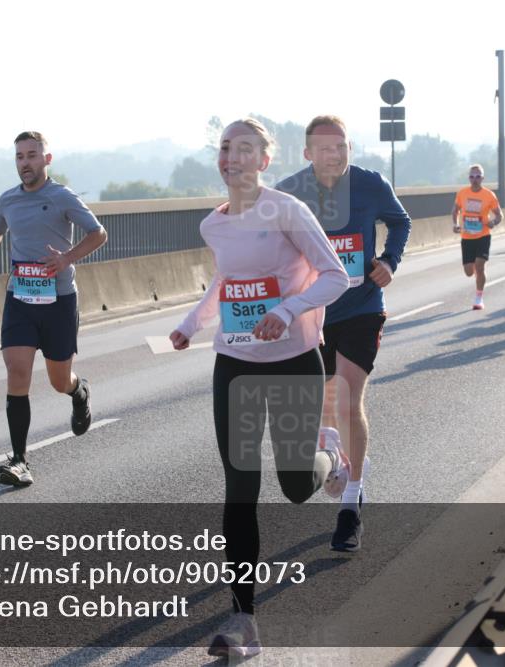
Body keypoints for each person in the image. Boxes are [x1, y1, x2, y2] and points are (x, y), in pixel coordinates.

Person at [169, 118, 348, 658]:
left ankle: (329, 455)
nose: (232, 157)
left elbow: (335, 275)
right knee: (239, 489)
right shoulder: (213, 226)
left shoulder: (288, 210)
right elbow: (226, 282)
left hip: (293, 360)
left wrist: (287, 309)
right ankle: (244, 621)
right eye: (226, 148)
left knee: (296, 486)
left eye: (245, 149)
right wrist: (192, 322)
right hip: (236, 365)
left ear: (263, 161)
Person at [276, 114, 411, 552]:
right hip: (312, 313)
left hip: (361, 306)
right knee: (324, 406)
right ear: (308, 154)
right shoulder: (291, 191)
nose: (336, 155)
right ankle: (349, 461)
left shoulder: (370, 183)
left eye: (342, 147)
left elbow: (401, 221)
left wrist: (389, 260)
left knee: (348, 399)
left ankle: (351, 507)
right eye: (326, 149)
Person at [0, 131, 107, 487]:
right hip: (20, 298)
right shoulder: (8, 200)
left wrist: (67, 259)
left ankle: (79, 392)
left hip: (58, 301)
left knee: (59, 379)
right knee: (17, 372)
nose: (25, 163)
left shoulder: (61, 196)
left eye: (31, 155)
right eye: (19, 157)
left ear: (47, 159)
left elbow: (98, 233)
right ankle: (20, 461)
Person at [452, 164, 503, 309]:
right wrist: (455, 224)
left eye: (478, 176)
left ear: (483, 178)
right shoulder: (462, 193)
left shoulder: (489, 195)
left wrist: (493, 222)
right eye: (472, 176)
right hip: (467, 237)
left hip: (483, 236)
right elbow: (455, 211)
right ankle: (477, 274)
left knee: (480, 266)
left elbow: (500, 215)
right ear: (469, 178)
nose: (475, 179)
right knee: (469, 272)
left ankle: (479, 298)